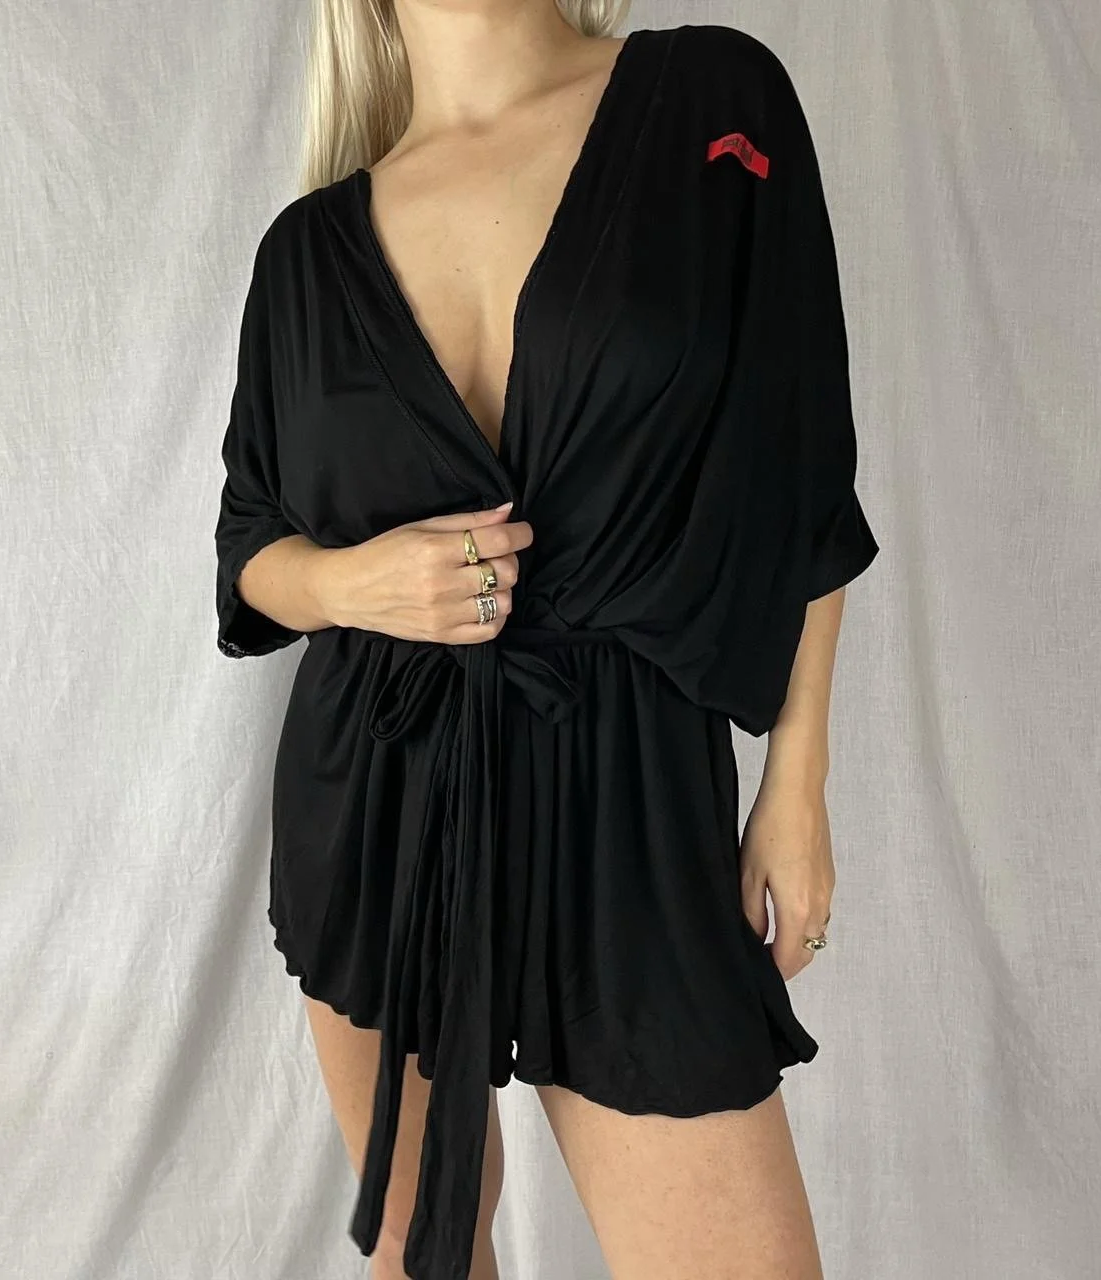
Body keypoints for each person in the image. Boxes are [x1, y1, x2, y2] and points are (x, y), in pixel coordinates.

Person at [212, 4, 880, 1278]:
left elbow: (800, 461)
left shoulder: (708, 96)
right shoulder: (303, 253)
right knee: (419, 1242)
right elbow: (251, 550)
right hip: (377, 791)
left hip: (627, 800)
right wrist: (355, 582)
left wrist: (797, 777)